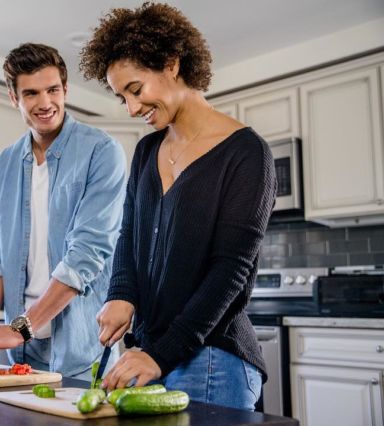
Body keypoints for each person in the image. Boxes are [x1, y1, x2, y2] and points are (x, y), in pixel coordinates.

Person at [79, 3, 276, 410]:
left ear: (171, 63)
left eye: (135, 90)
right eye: (122, 99)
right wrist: (121, 295)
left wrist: (162, 354)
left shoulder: (246, 153)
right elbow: (129, 235)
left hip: (210, 358)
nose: (132, 109)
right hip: (148, 353)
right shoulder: (147, 150)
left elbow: (231, 271)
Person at [0, 43, 126, 380]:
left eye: (53, 90)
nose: (45, 103)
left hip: (81, 348)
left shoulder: (101, 151)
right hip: (18, 348)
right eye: (31, 93)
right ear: (14, 98)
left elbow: (87, 253)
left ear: (65, 89)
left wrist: (22, 326)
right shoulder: (7, 162)